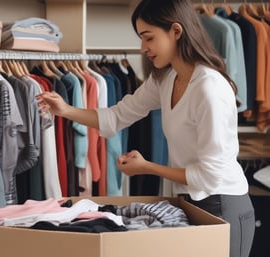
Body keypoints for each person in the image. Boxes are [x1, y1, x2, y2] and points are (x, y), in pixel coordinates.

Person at [36, 0, 255, 256]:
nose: (143, 48)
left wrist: (146, 167)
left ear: (176, 31)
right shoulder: (166, 78)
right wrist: (65, 110)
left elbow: (210, 175)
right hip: (188, 202)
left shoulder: (209, 88)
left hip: (223, 205)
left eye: (149, 38)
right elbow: (118, 115)